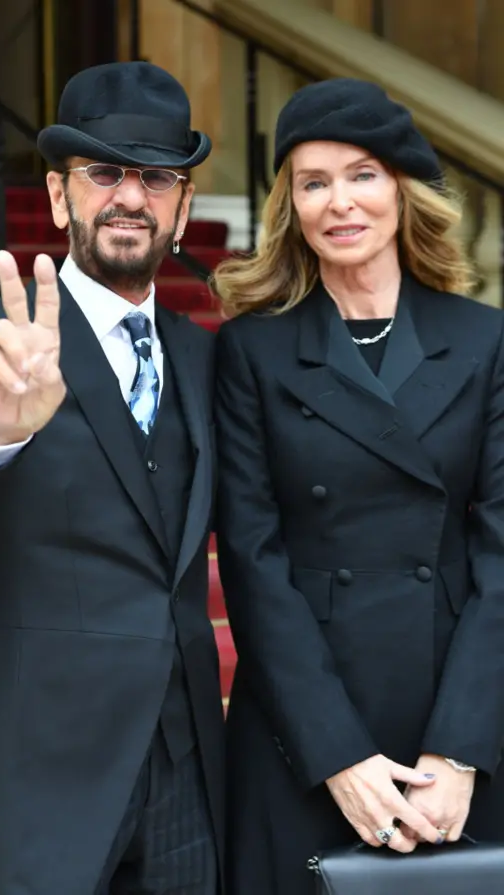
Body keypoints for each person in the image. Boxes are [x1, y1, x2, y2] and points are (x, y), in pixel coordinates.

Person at [0, 61, 224, 895]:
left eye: (157, 179)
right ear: (62, 198)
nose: (131, 198)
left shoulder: (209, 358)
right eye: (105, 174)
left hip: (187, 774)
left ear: (183, 206)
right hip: (41, 772)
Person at [212, 77, 504, 894]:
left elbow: (502, 556)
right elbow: (252, 562)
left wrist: (459, 751)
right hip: (303, 735)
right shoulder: (251, 352)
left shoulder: (485, 341)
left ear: (403, 188)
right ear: (291, 205)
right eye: (313, 181)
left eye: (363, 173)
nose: (339, 201)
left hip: (457, 727)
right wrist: (336, 754)